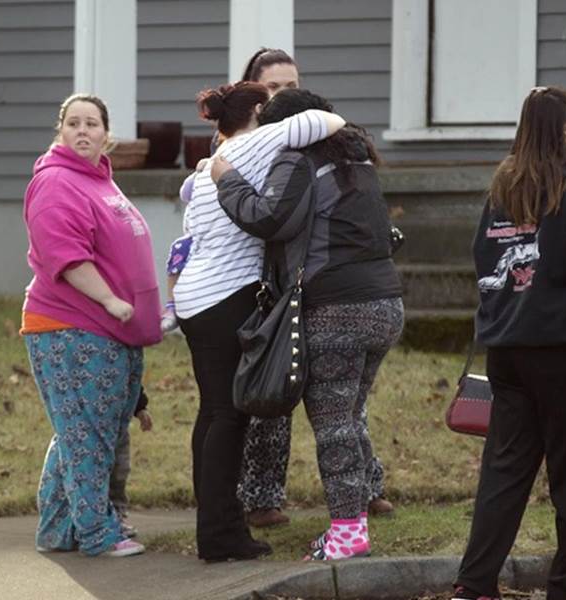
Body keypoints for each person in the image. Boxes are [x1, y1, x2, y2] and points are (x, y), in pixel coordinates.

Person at [449, 86, 566, 600]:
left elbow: (484, 264)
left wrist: (497, 322)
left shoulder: (501, 191)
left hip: (507, 354)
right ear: (562, 130)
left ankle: (475, 583)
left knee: (504, 474)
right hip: (565, 355)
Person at [212, 89, 403, 561]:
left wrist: (228, 180)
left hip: (335, 308)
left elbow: (268, 217)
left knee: (334, 425)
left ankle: (346, 532)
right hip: (385, 305)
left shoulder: (297, 160)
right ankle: (352, 523)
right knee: (350, 419)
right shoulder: (357, 160)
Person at [175, 81, 345, 562]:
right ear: (255, 111)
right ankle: (221, 535)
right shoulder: (259, 140)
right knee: (230, 415)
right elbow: (328, 121)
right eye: (267, 104)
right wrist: (282, 123)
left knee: (212, 413)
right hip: (228, 297)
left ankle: (214, 525)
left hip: (195, 299)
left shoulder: (214, 161)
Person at [21, 93, 163, 558]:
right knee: (87, 433)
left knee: (82, 430)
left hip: (108, 328)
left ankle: (57, 531)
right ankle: (96, 534)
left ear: (107, 135)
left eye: (92, 124)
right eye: (74, 124)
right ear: (60, 132)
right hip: (69, 325)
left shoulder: (99, 180)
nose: (83, 131)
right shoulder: (57, 182)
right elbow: (64, 254)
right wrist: (108, 299)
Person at [108, 388, 153, 538]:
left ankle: (116, 516)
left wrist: (139, 407)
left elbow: (131, 373)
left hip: (117, 419)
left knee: (118, 471)